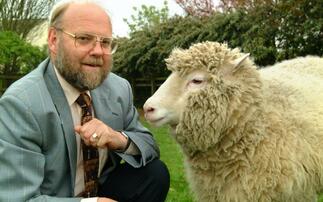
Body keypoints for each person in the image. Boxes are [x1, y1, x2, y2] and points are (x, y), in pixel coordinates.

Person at [0, 0, 170, 201]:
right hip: (56, 197)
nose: (98, 51)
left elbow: (150, 147)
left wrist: (118, 139)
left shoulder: (118, 88)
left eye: (105, 42)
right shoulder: (21, 104)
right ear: (53, 40)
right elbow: (18, 198)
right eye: (83, 39)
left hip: (102, 186)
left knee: (154, 173)